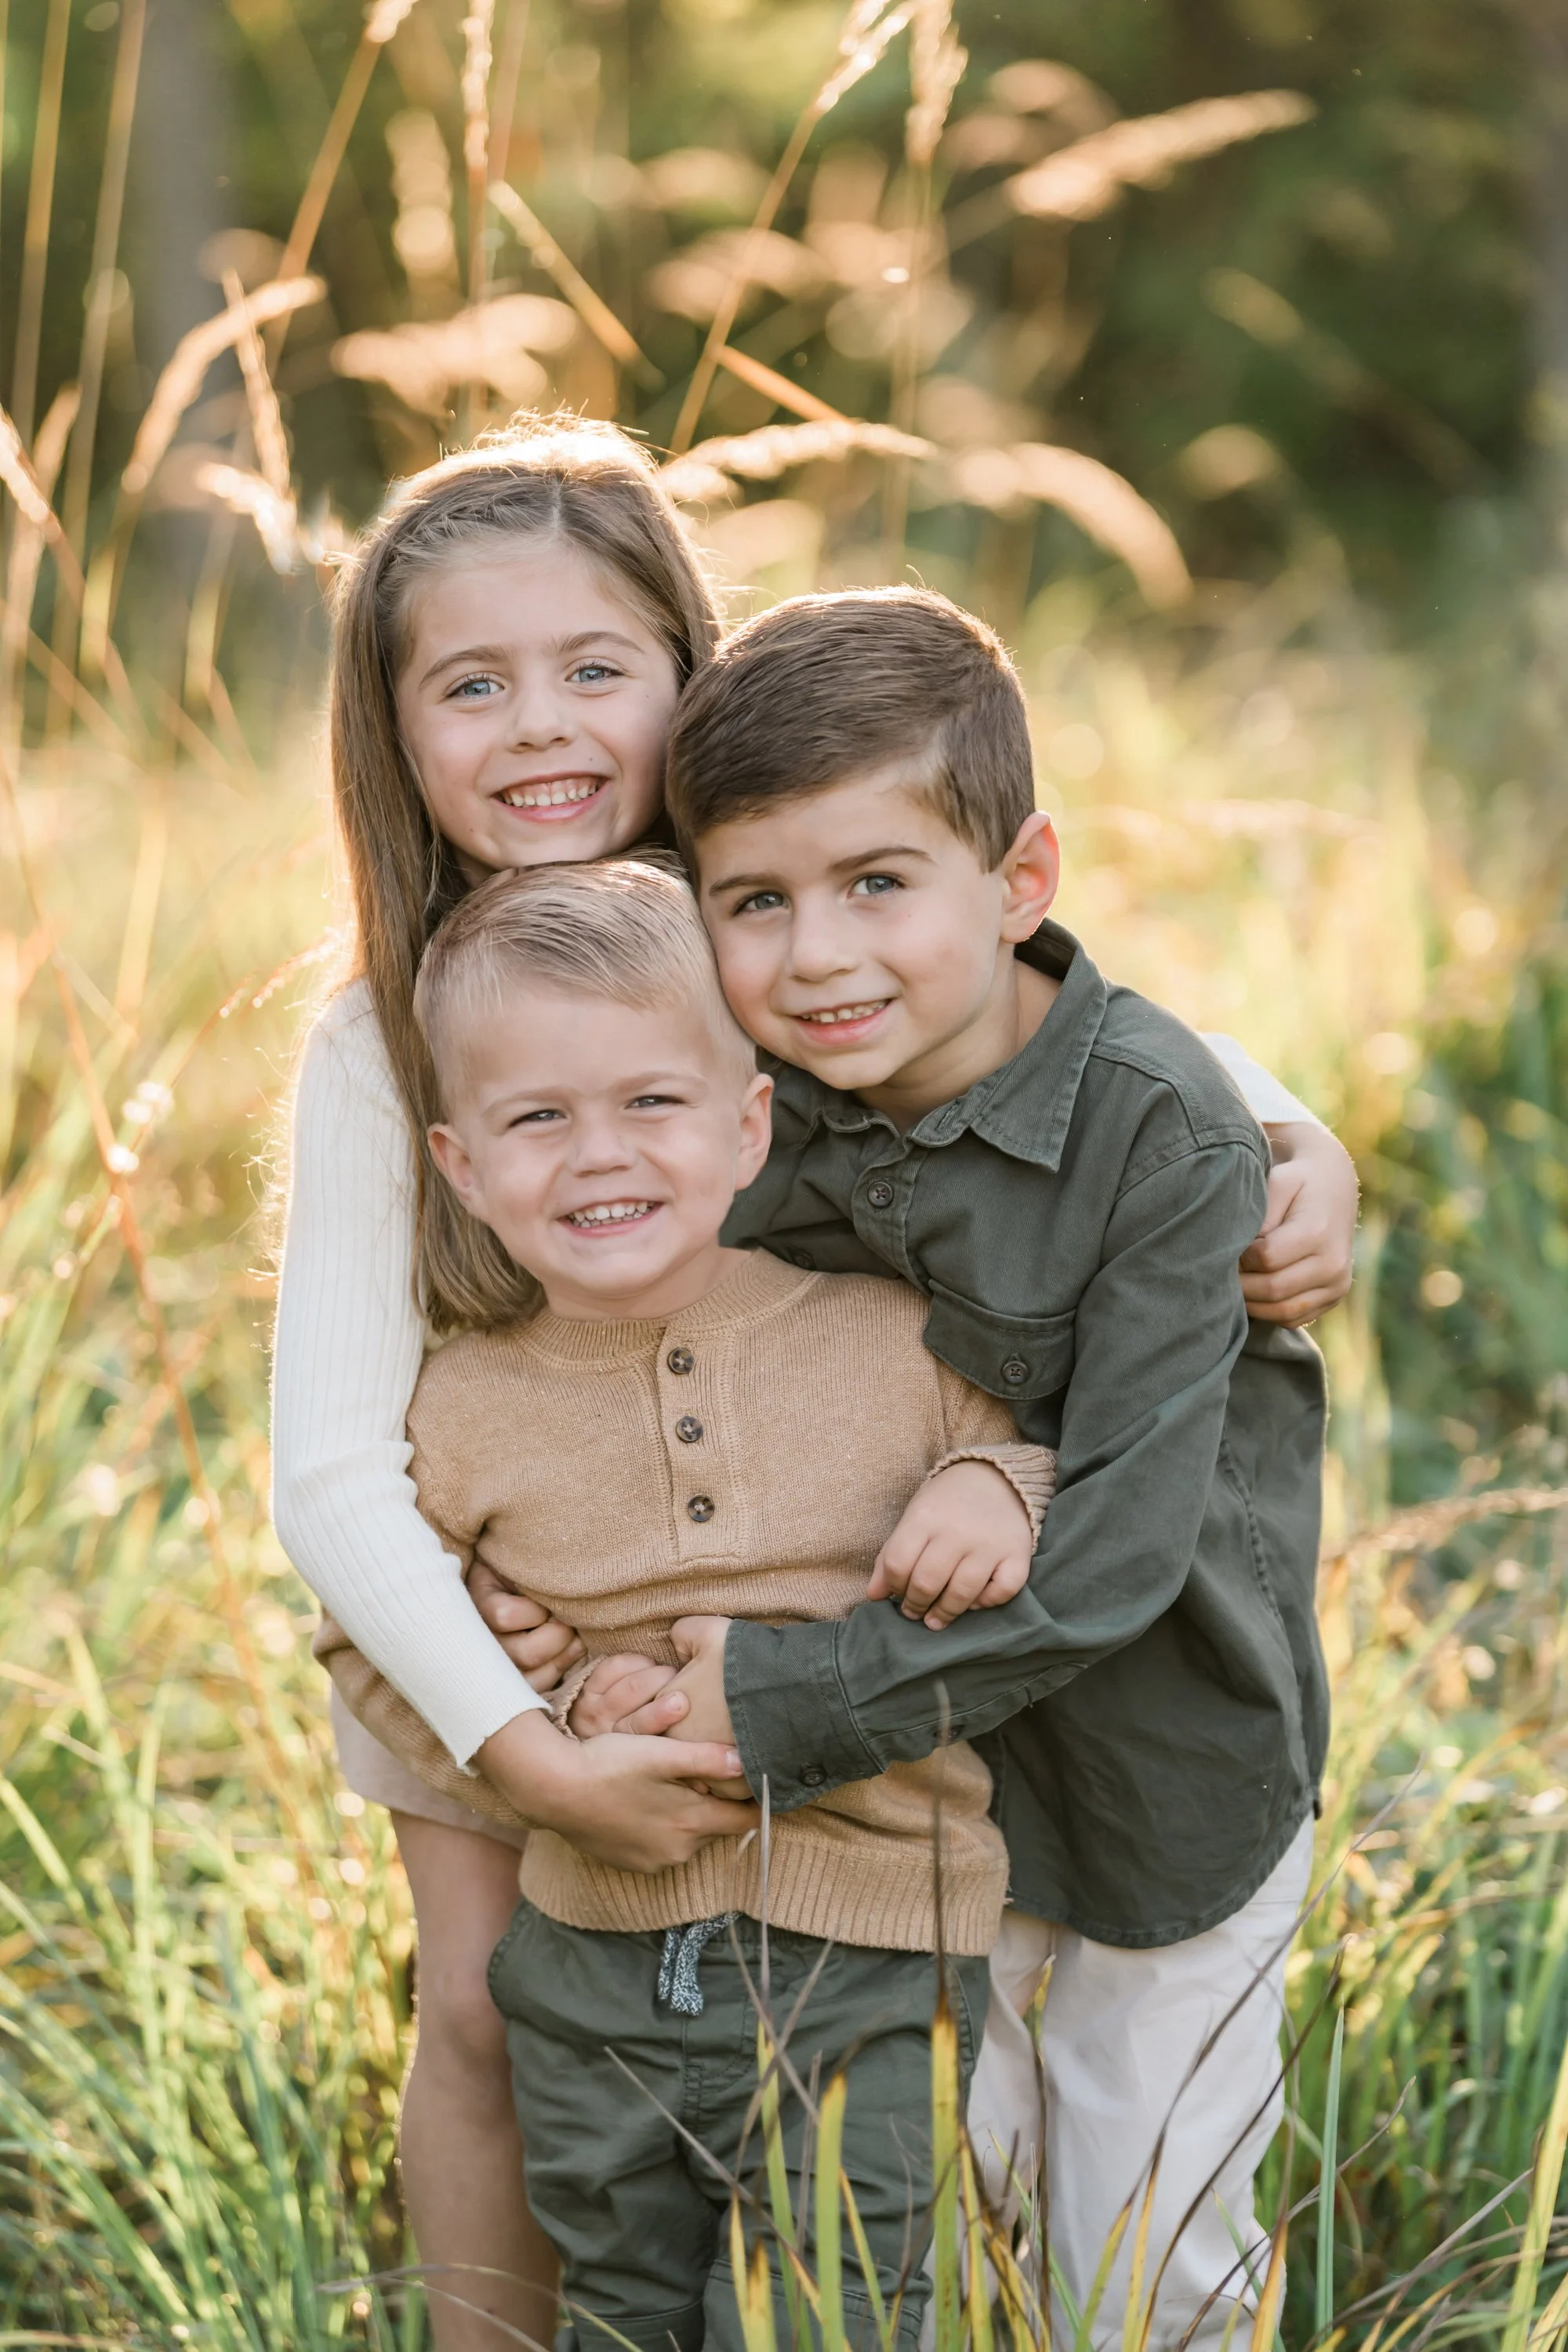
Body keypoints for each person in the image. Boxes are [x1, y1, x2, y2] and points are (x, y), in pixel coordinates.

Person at [270, 412, 1354, 2347]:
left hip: (814, 1567)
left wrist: (1287, 1131)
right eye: (472, 684)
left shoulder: (758, 914)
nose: (541, 728)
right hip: (493, 1595)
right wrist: (502, 1711)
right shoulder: (382, 1029)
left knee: (887, 2082)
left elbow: (1040, 1035)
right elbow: (336, 1470)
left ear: (692, 683)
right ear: (391, 725)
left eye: (597, 669)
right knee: (488, 2002)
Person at [572, 584, 1331, 2350]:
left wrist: (774, 1694)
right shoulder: (767, 1116)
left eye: (876, 884)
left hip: (1164, 1785)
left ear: (1022, 880)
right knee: (938, 2236)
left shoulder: (1161, 1128)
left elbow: (1124, 1553)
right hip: (916, 1816)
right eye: (753, 902)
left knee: (1143, 2272)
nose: (815, 955)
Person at [317, 857, 1061, 2352]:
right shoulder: (458, 1407)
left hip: (874, 1950)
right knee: (625, 2311)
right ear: (460, 1168)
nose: (600, 1155)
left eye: (652, 1103)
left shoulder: (890, 1335)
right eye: (538, 1119)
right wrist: (529, 1704)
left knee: (832, 2315)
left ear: (748, 1124)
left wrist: (997, 1486)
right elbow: (364, 1635)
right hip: (593, 1969)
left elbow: (1034, 1456)